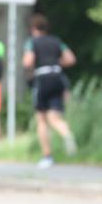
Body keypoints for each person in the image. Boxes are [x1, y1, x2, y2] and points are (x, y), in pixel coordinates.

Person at [23, 13, 77, 168]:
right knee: (54, 117)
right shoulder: (56, 41)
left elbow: (28, 61)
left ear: (33, 28)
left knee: (42, 119)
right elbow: (71, 59)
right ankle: (66, 134)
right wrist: (56, 61)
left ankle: (47, 156)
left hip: (42, 78)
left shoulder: (32, 42)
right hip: (57, 77)